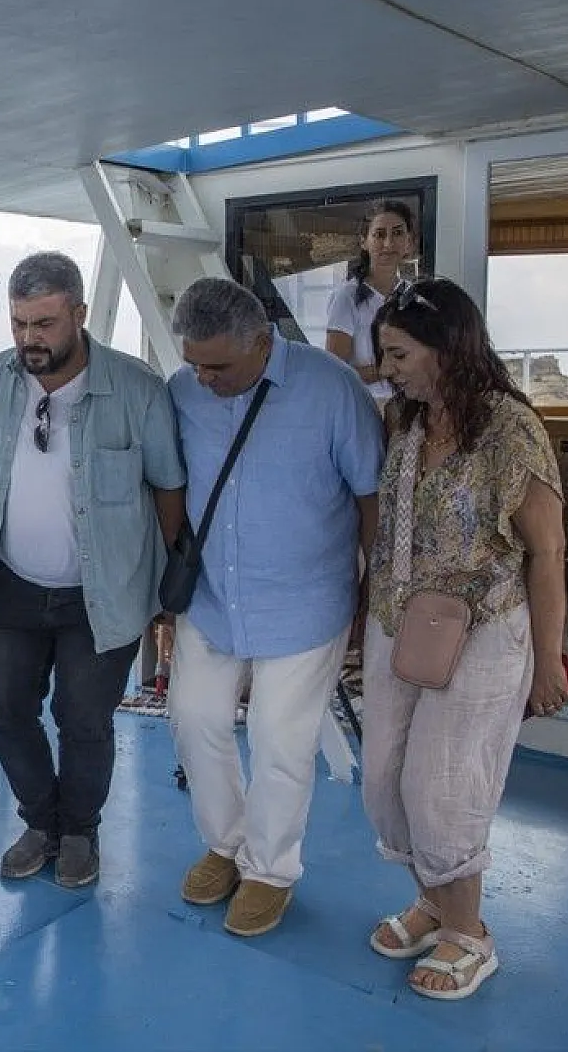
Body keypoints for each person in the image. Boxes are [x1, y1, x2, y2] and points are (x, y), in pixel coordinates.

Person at [361, 276, 567, 1001]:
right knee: (383, 780)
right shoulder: (408, 423)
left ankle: (468, 933)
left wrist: (547, 661)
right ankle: (434, 899)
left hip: (482, 629)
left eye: (399, 353)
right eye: (384, 354)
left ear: (448, 346)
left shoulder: (511, 429)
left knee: (442, 787)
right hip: (404, 624)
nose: (389, 369)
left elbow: (546, 550)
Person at [165, 276, 383, 937]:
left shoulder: (331, 387)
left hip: (305, 598)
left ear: (263, 342)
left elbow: (371, 492)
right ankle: (226, 844)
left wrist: (372, 594)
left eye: (219, 366)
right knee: (195, 719)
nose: (203, 378)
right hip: (211, 596)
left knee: (279, 739)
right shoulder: (180, 391)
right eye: (193, 362)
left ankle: (270, 869)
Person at [0, 253, 186, 888]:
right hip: (12, 583)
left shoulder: (137, 389)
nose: (29, 339)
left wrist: (167, 599)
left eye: (44, 323)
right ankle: (40, 822)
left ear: (79, 314)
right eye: (18, 323)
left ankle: (80, 833)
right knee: (5, 706)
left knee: (83, 718)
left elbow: (168, 491)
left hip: (104, 591)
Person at [324, 200, 417, 403]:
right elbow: (334, 371)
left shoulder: (412, 295)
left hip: (410, 404)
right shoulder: (347, 297)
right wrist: (386, 369)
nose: (388, 244)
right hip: (366, 405)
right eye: (379, 234)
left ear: (409, 242)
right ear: (364, 242)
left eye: (398, 233)